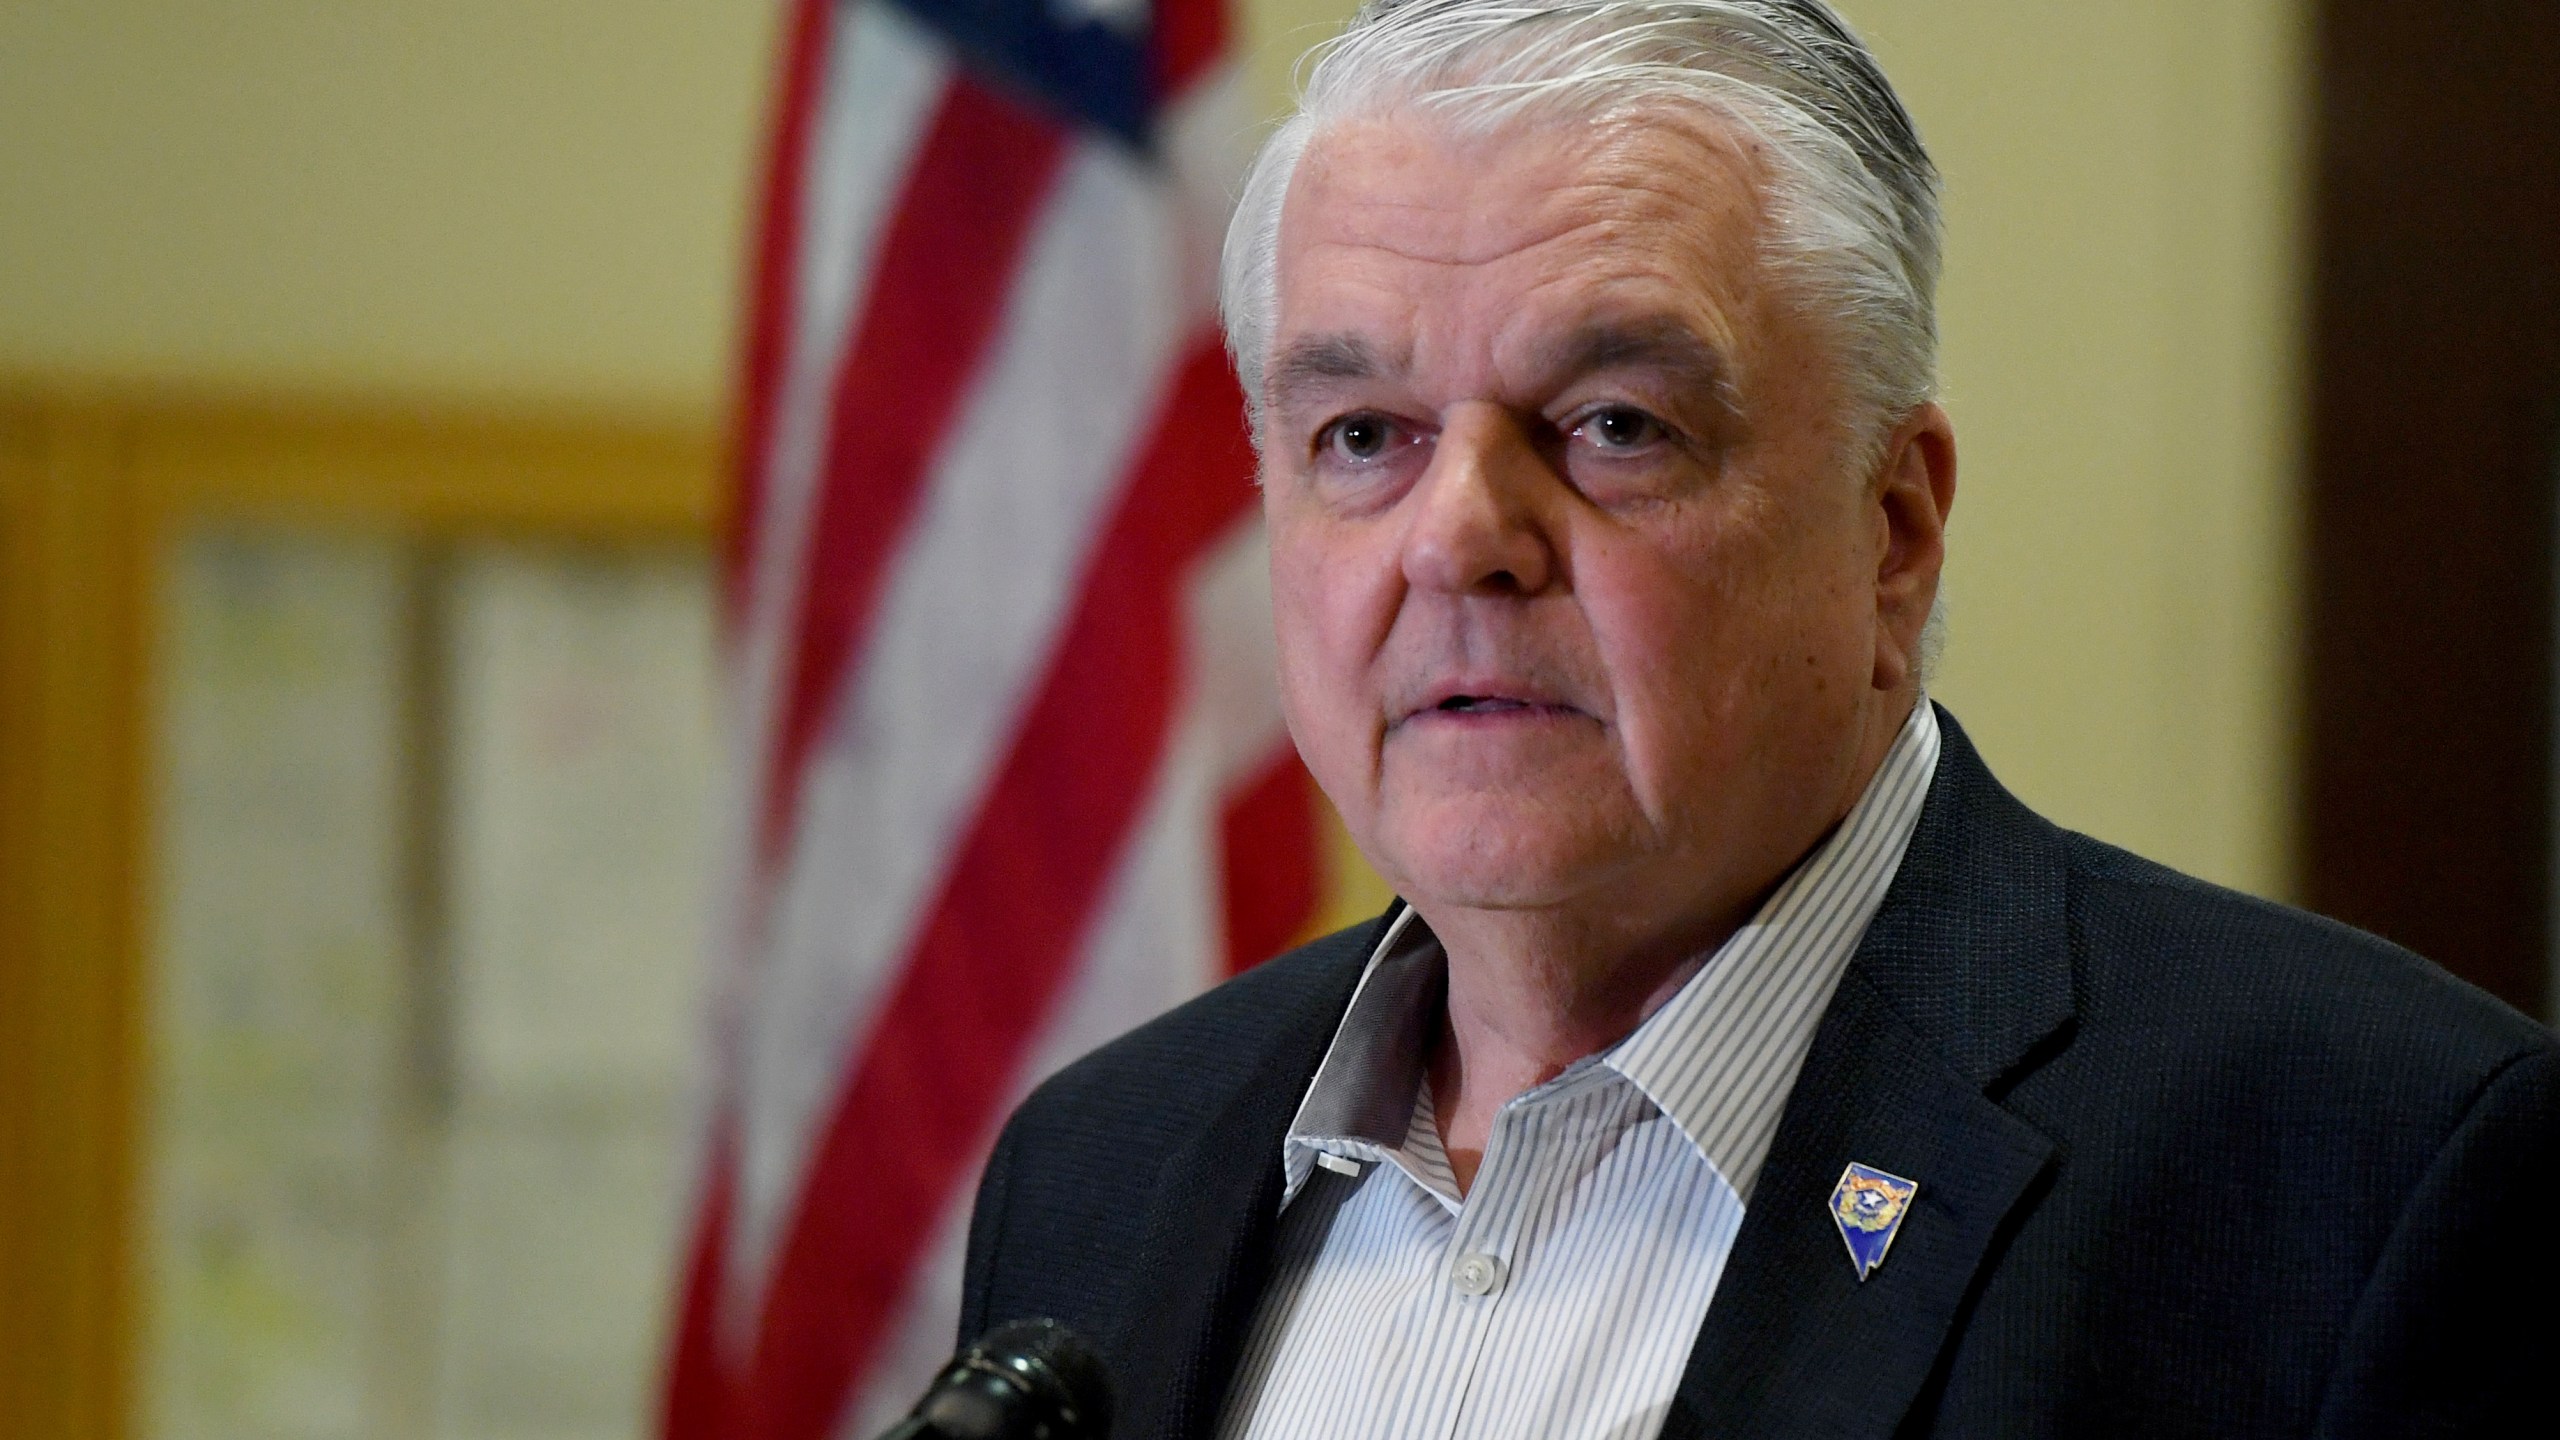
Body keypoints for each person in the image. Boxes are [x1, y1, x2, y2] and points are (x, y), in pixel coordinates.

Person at [957, 2, 2558, 1435]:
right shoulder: (1095, 1171)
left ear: (1893, 528)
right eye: (1363, 433)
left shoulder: (2369, 1174)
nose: (1456, 539)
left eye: (1612, 426)